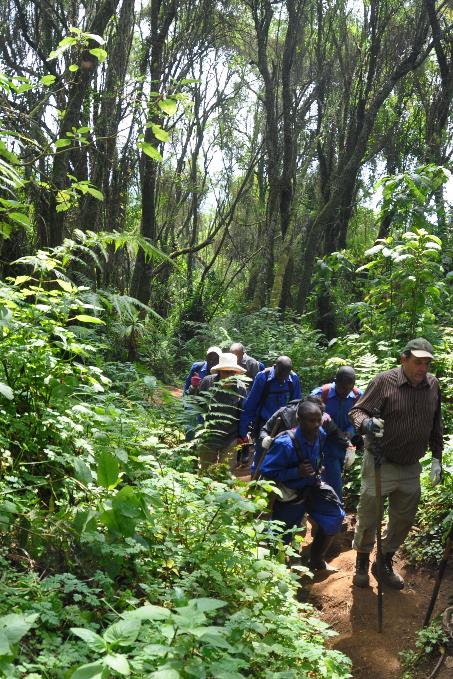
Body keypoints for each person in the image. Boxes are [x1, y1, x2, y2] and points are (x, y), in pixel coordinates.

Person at [349, 338, 443, 589]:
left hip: (411, 464)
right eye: (417, 362)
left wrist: (437, 457)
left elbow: (436, 422)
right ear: (404, 359)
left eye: (427, 363)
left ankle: (384, 560)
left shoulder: (433, 385)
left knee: (404, 518)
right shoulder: (384, 381)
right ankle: (361, 560)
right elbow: (357, 411)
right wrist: (366, 424)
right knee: (370, 513)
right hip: (381, 462)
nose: (422, 368)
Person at [259, 400, 345, 569]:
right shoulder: (285, 444)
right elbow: (267, 472)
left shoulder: (321, 433)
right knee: (280, 536)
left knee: (335, 516)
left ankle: (316, 558)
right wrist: (295, 472)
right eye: (310, 420)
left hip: (312, 487)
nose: (315, 424)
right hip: (290, 493)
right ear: (299, 420)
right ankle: (275, 571)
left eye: (318, 420)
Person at [239, 356, 302, 467]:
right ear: (275, 366)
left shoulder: (293, 379)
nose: (283, 378)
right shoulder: (263, 377)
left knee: (281, 458)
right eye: (280, 374)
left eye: (286, 375)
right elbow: (251, 405)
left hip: (285, 425)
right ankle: (255, 481)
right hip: (265, 425)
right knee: (261, 457)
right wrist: (242, 432)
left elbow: (296, 404)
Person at [311, 366, 363, 500]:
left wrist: (351, 433)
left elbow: (361, 418)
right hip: (324, 446)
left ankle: (322, 511)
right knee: (333, 481)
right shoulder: (321, 394)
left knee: (332, 478)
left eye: (349, 388)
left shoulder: (358, 397)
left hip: (345, 444)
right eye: (342, 388)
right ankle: (335, 514)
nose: (346, 392)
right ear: (336, 381)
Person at [197, 352, 247, 469]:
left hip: (230, 436)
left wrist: (242, 434)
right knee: (206, 471)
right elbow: (199, 406)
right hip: (208, 435)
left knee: (226, 473)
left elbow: (243, 412)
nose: (229, 375)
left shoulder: (241, 388)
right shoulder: (207, 382)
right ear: (219, 371)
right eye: (226, 372)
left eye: (232, 372)